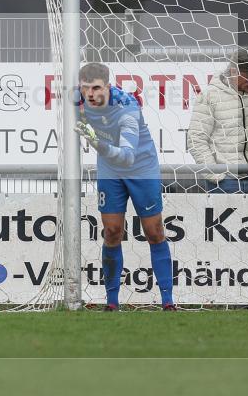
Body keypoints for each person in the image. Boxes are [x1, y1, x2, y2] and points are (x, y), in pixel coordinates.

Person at [75, 62, 175, 311]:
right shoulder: (75, 101)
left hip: (141, 167)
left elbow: (127, 157)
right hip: (110, 170)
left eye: (96, 88)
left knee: (153, 231)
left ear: (108, 86)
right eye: (85, 88)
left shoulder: (127, 106)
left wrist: (97, 144)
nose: (90, 94)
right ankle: (111, 302)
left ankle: (167, 301)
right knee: (111, 232)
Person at [187, 48, 248, 193]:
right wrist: (215, 175)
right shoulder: (210, 96)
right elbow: (196, 138)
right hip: (224, 182)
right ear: (233, 72)